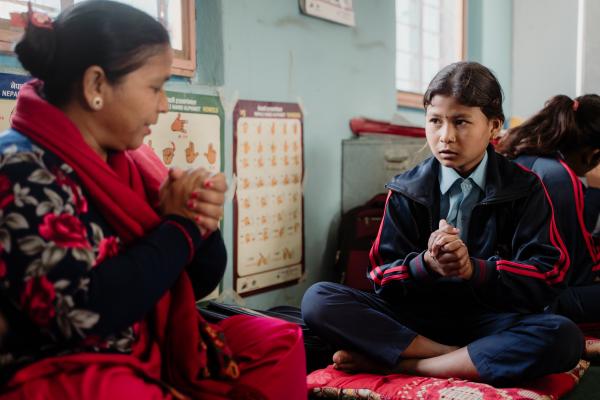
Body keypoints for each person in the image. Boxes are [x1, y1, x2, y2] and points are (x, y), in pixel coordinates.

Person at [0, 1, 306, 399]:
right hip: (68, 363)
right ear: (96, 86)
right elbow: (80, 315)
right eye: (155, 87)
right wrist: (178, 228)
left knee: (276, 341)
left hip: (144, 337)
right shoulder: (21, 168)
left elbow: (195, 281)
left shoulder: (129, 161)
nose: (163, 105)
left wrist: (200, 223)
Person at [302, 61, 583, 385]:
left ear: (494, 126)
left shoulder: (526, 187)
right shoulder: (407, 189)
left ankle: (411, 366)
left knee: (563, 336)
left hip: (492, 319)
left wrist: (475, 270)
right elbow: (380, 275)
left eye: (461, 122)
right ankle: (454, 356)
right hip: (419, 323)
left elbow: (549, 274)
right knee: (318, 300)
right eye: (435, 121)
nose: (445, 136)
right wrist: (426, 264)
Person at [496, 96, 600, 327]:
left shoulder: (524, 158)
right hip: (538, 302)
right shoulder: (559, 177)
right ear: (593, 155)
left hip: (506, 287)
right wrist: (595, 191)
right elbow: (578, 271)